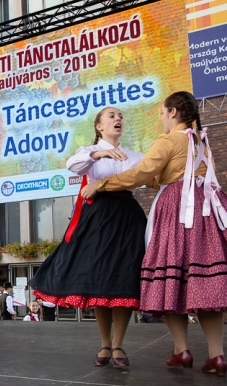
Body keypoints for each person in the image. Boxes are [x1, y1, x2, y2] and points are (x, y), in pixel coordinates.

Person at [81, 91, 227, 376]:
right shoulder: (200, 141)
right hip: (211, 208)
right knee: (208, 280)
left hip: (180, 209)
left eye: (162, 113)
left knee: (172, 275)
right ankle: (216, 355)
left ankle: (181, 350)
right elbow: (175, 174)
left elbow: (144, 173)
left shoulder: (168, 140)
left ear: (174, 113)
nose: (161, 119)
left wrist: (101, 184)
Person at [29, 107, 145, 369]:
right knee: (98, 281)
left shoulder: (136, 155)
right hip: (98, 218)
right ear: (99, 126)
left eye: (120, 116)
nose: (118, 119)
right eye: (112, 116)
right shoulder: (87, 153)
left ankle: (118, 344)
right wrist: (100, 153)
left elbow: (148, 175)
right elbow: (73, 166)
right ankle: (105, 343)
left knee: (124, 279)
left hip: (127, 217)